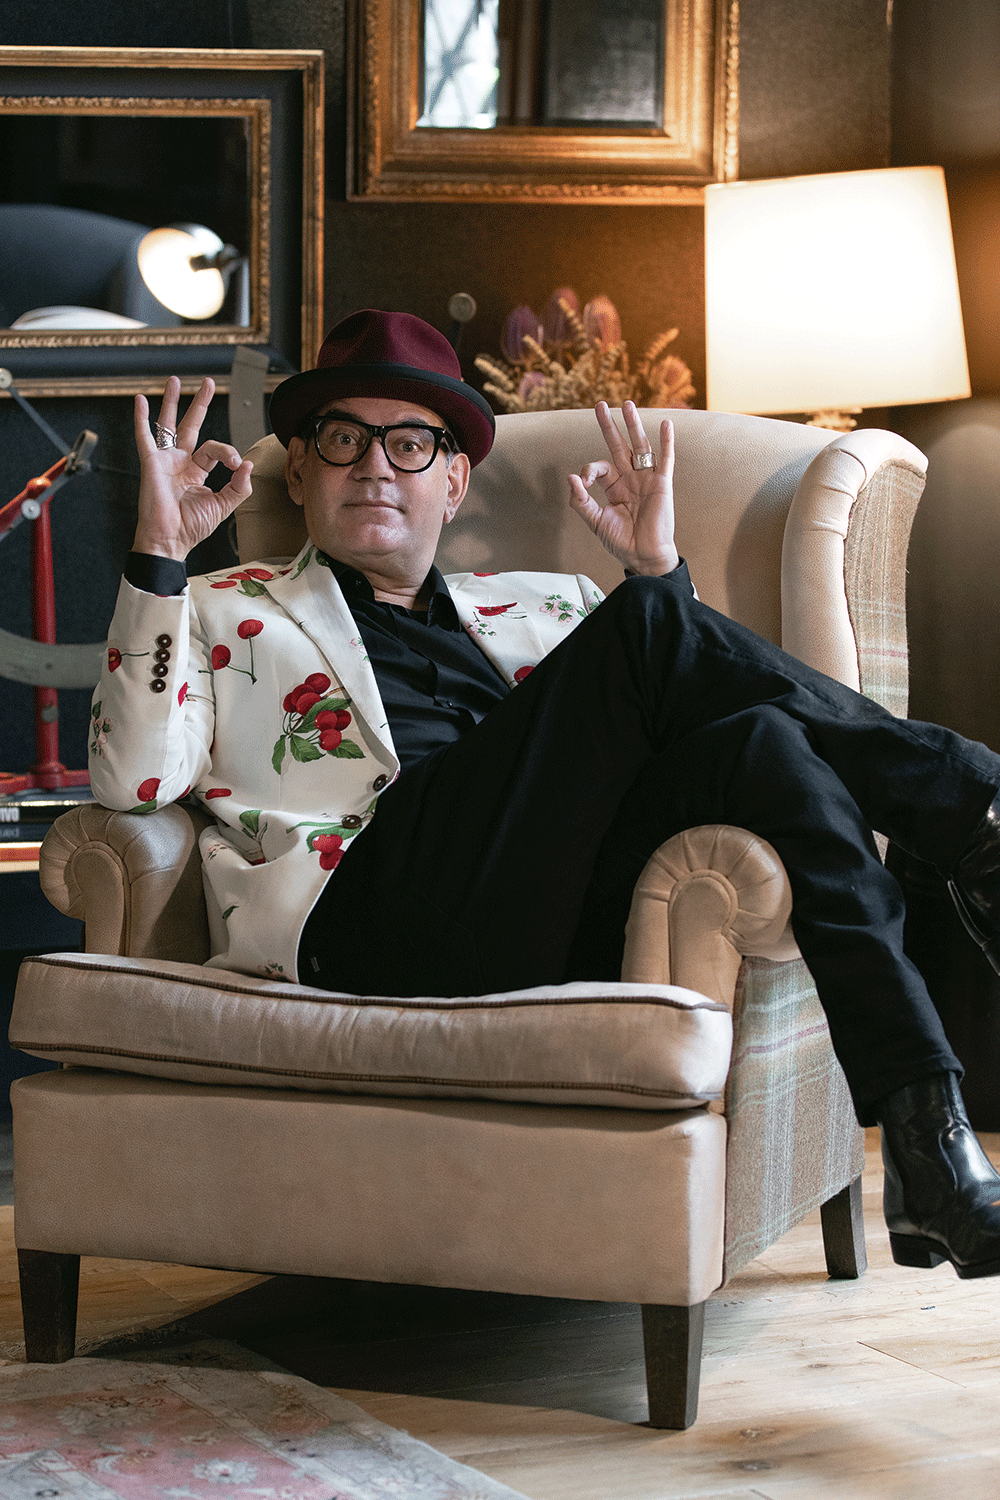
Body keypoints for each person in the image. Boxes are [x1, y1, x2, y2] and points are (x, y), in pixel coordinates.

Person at [91, 308, 1000, 1281]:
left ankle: (925, 1138)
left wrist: (656, 570)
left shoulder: (544, 606)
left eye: (409, 444)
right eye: (343, 439)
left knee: (763, 742)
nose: (375, 466)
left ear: (453, 481)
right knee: (651, 632)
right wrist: (159, 553)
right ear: (303, 472)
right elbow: (131, 778)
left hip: (538, 922)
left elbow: (696, 715)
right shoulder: (216, 606)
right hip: (364, 916)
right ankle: (973, 814)